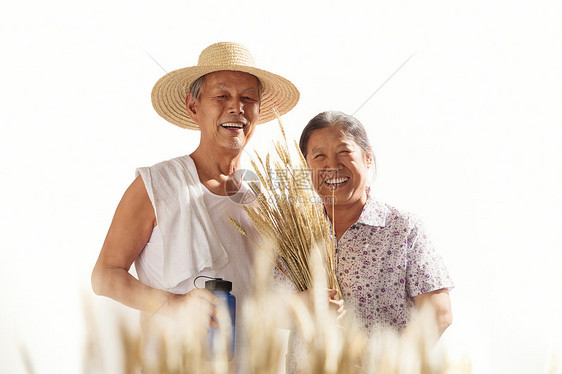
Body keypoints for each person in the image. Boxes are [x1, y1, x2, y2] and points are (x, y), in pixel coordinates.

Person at [91, 42, 300, 366]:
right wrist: (174, 305)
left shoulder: (261, 202)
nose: (237, 108)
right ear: (193, 106)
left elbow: (263, 301)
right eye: (222, 96)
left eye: (248, 98)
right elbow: (104, 276)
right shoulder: (157, 185)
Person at [298, 111, 454, 335]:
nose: (332, 166)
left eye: (344, 152)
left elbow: (439, 315)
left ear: (368, 157)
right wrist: (296, 305)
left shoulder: (404, 228)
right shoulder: (294, 232)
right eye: (319, 156)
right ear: (307, 166)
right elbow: (266, 309)